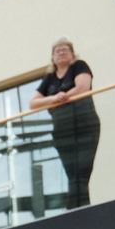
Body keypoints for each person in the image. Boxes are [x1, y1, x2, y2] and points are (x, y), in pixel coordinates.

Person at [27, 38, 101, 210]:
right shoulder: (50, 78)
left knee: (82, 170)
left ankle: (76, 210)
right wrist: (54, 98)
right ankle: (79, 209)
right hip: (62, 128)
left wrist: (61, 98)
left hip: (85, 123)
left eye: (65, 49)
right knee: (71, 172)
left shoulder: (79, 66)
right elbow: (33, 103)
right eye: (57, 51)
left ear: (72, 54)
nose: (61, 52)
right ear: (52, 58)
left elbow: (83, 87)